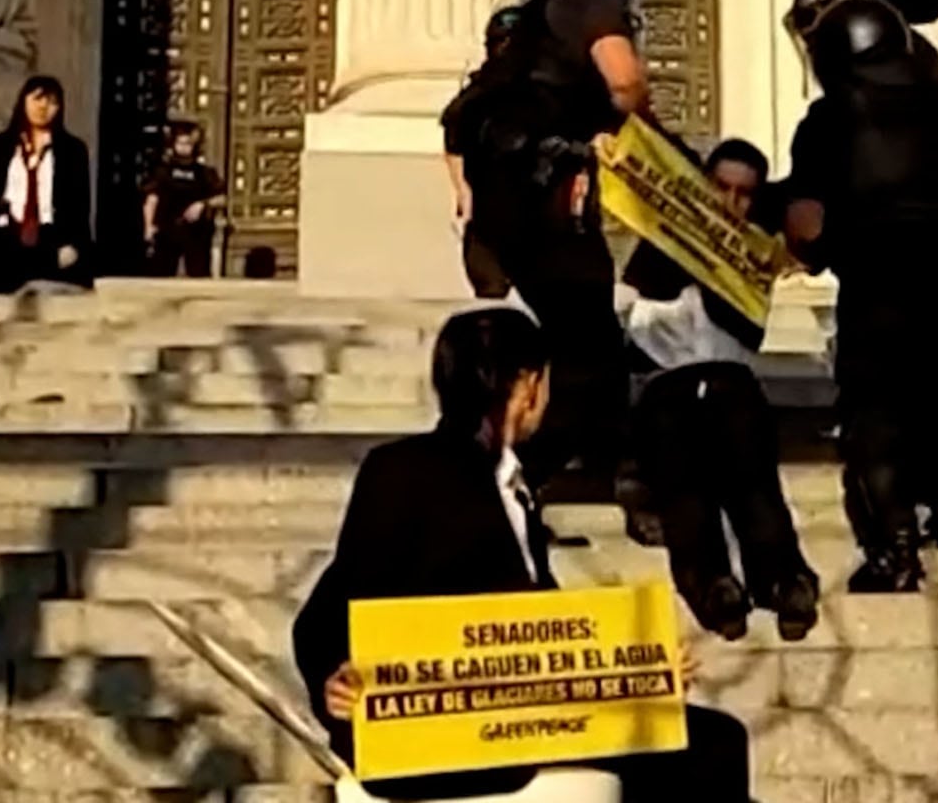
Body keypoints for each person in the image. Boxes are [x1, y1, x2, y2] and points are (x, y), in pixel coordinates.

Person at [292, 307, 753, 802]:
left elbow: (541, 632)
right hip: (453, 743)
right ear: (530, 386)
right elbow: (325, 618)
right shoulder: (403, 472)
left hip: (525, 722)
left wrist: (642, 674)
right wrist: (333, 680)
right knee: (712, 747)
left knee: (696, 742)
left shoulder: (510, 486)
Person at [779, 0, 938, 593]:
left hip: (884, 265)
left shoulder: (828, 121)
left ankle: (894, 549)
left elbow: (807, 228)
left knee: (874, 409)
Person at [451, 0, 660, 539]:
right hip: (549, 197)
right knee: (588, 346)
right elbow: (624, 80)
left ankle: (577, 466)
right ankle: (509, 486)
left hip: (509, 201)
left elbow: (460, 122)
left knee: (581, 341)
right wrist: (644, 132)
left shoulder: (533, 24)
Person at [619, 138, 820, 642]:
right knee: (686, 489)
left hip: (731, 382)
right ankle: (714, 588)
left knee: (754, 480)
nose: (730, 203)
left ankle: (785, 581)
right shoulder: (661, 242)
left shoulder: (755, 247)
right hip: (666, 385)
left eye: (743, 194)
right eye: (719, 188)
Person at [0, 75, 92, 293]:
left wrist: (74, 244)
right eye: (37, 99)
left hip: (49, 242)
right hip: (4, 240)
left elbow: (80, 202)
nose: (43, 106)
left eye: (51, 101)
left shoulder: (73, 150)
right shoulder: (1, 145)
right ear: (24, 101)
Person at [442, 3, 527, 298]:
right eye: (503, 43)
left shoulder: (547, 90)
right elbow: (454, 143)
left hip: (537, 215)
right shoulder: (477, 95)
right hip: (489, 214)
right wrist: (464, 193)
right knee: (491, 292)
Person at [142, 120, 226, 278]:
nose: (184, 147)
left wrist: (203, 204)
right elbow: (152, 199)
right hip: (167, 230)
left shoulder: (204, 172)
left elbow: (222, 198)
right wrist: (149, 227)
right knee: (162, 276)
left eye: (188, 143)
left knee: (198, 275)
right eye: (180, 143)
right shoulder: (162, 171)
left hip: (196, 233)